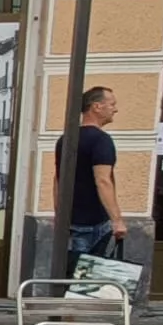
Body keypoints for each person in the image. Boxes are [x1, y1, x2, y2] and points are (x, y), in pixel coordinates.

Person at [54, 86, 127, 272]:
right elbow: (103, 180)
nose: (115, 109)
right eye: (112, 104)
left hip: (71, 220)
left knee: (70, 273)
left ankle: (66, 300)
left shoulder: (66, 139)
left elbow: (57, 179)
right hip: (93, 223)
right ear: (96, 106)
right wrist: (117, 220)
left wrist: (59, 214)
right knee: (88, 281)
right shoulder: (101, 140)